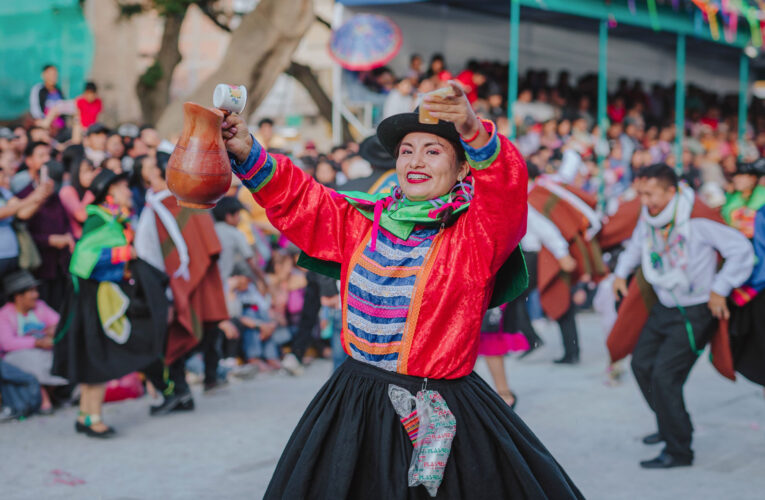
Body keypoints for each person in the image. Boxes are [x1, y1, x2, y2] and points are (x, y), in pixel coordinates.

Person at [222, 81, 582, 498]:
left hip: (442, 405)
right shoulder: (360, 221)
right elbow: (299, 198)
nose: (416, 161)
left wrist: (471, 128)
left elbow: (506, 190)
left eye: (433, 151)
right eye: (407, 151)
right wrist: (247, 149)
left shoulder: (474, 235)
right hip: (355, 403)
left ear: (463, 168)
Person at [612, 164, 754, 468]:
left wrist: (720, 288)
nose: (646, 200)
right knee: (641, 364)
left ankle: (679, 450)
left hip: (696, 309)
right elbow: (638, 245)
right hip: (664, 303)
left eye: (651, 194)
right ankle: (669, 424)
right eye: (643, 194)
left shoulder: (697, 217)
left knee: (665, 378)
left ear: (671, 190)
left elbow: (741, 250)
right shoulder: (650, 214)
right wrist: (621, 273)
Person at [52, 170, 169, 437]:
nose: (129, 191)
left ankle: (85, 414)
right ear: (110, 192)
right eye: (123, 187)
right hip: (92, 299)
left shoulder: (111, 219)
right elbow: (84, 261)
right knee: (98, 356)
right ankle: (93, 418)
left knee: (96, 354)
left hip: (98, 295)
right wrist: (125, 253)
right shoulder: (99, 221)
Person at [133, 159, 232, 415]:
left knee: (169, 337)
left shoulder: (173, 202)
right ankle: (184, 390)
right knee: (173, 336)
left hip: (170, 280)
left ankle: (179, 392)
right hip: (174, 279)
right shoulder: (175, 202)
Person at [13, 142, 74, 312]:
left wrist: (68, 236)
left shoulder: (56, 198)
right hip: (38, 267)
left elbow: (65, 222)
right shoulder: (25, 196)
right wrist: (50, 240)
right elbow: (23, 233)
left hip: (59, 266)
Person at [0, 270, 68, 414]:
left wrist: (53, 330)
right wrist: (37, 342)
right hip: (15, 358)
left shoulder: (40, 307)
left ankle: (53, 393)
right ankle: (44, 398)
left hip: (43, 352)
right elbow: (7, 344)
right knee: (32, 359)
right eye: (31, 292)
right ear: (18, 296)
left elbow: (61, 323)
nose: (36, 295)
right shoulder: (4, 315)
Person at [721, 159, 765, 239]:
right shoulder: (732, 197)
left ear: (753, 178)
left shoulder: (762, 196)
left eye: (741, 176)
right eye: (735, 176)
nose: (736, 179)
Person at [58, 158, 98, 240]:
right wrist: (92, 191)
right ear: (76, 172)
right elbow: (81, 215)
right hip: (75, 240)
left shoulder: (88, 192)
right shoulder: (67, 191)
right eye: (85, 171)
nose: (90, 175)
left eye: (91, 170)